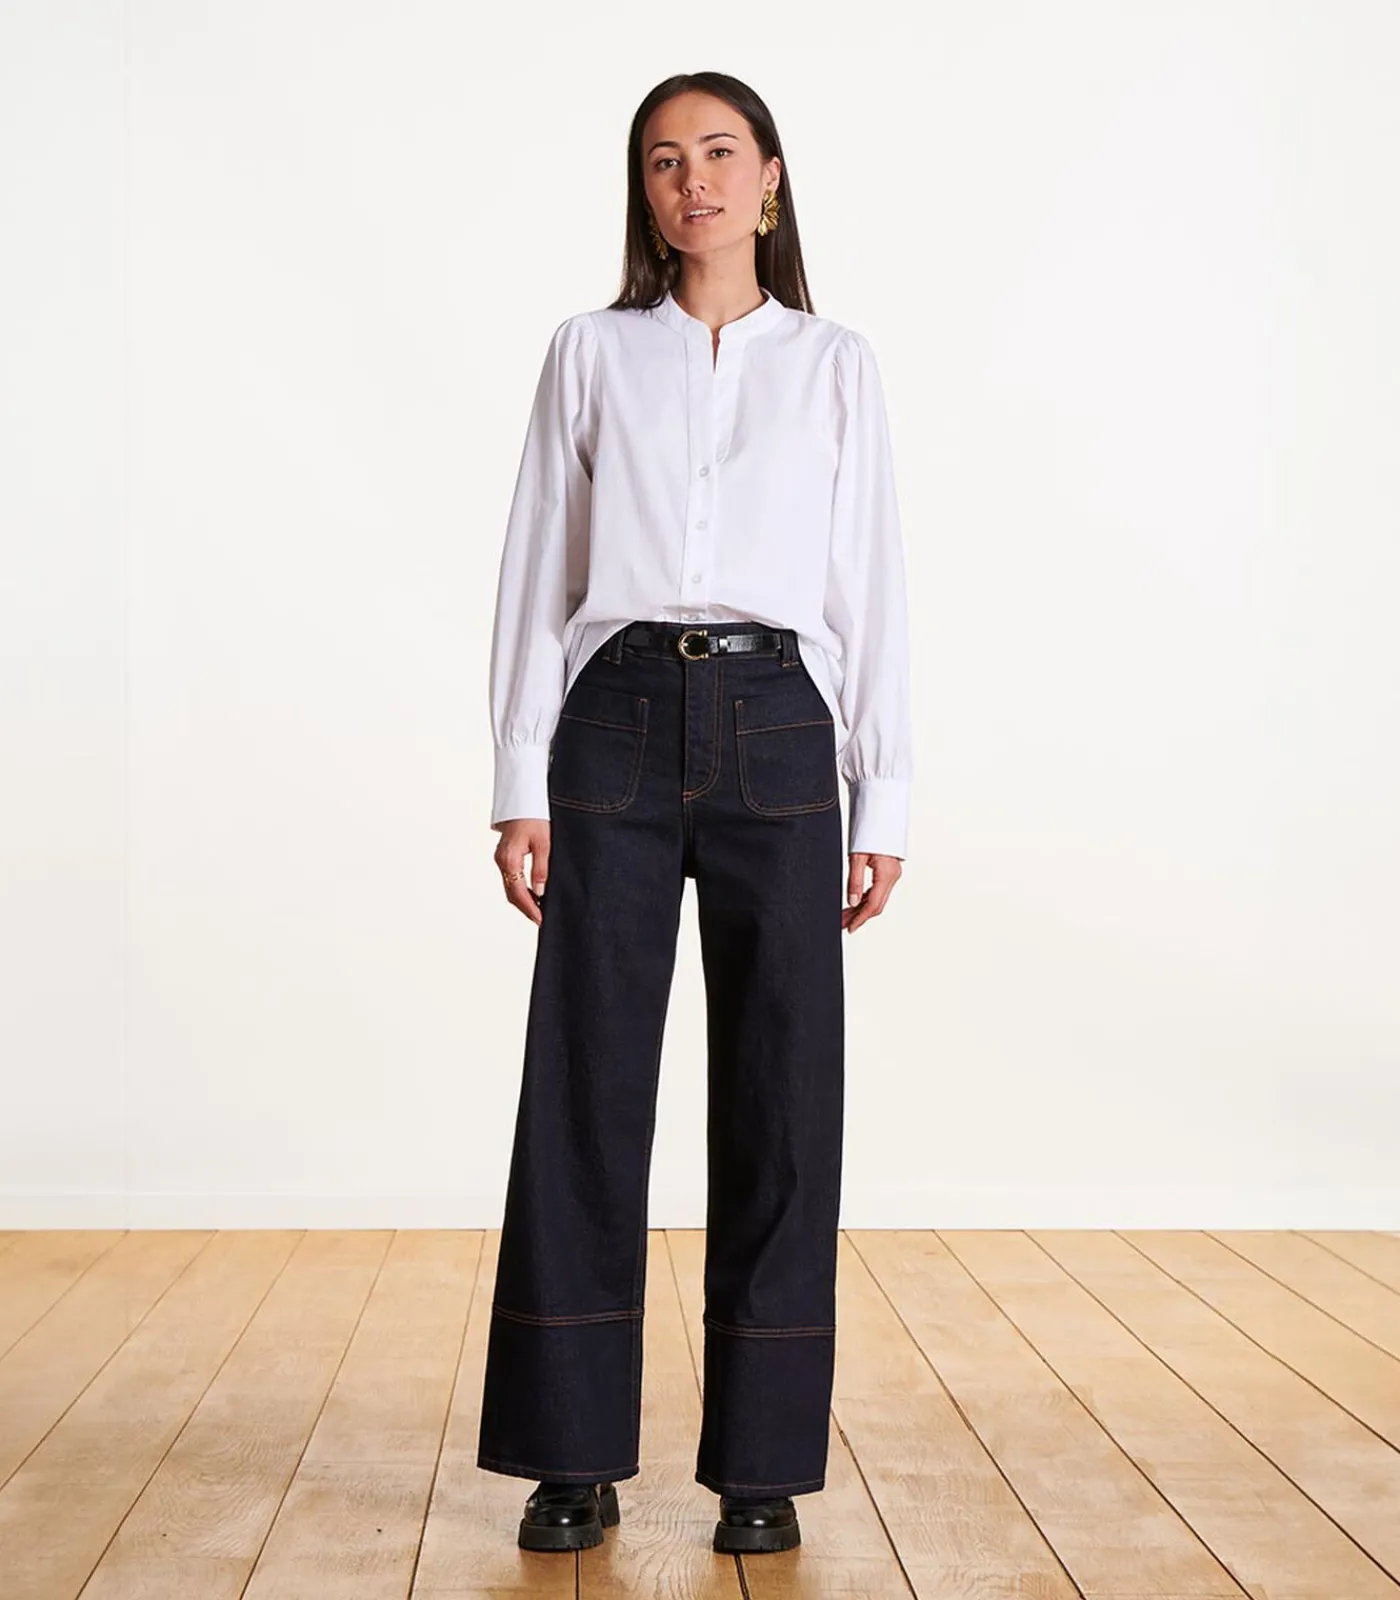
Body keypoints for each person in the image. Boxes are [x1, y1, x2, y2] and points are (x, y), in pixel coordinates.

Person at [475, 70, 913, 1557]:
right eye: (665, 161)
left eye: (721, 153)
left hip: (781, 727)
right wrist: (517, 778)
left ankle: (762, 1463)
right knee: (585, 1082)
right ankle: (570, 1454)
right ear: (644, 191)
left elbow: (869, 585)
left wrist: (881, 791)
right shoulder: (589, 353)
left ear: (771, 178)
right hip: (611, 722)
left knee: (785, 1090)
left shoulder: (834, 364)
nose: (694, 182)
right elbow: (540, 567)